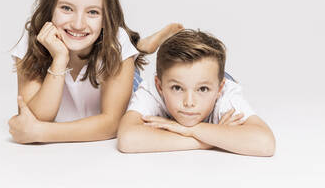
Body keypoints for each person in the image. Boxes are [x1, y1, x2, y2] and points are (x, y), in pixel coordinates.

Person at [8, 0, 183, 144]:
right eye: (66, 8)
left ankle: (137, 47)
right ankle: (140, 46)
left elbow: (112, 123)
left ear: (106, 19)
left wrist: (42, 134)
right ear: (50, 9)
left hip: (120, 69)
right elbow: (34, 118)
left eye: (92, 12)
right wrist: (59, 60)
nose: (77, 24)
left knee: (128, 64)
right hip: (95, 46)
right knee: (119, 45)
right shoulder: (33, 39)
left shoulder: (116, 42)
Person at [117, 29, 275, 156]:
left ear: (219, 89)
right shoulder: (152, 90)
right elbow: (127, 139)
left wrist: (191, 129)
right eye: (177, 88)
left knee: (201, 76)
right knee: (129, 74)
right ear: (160, 86)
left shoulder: (227, 95)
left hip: (215, 78)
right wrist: (210, 140)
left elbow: (265, 143)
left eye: (203, 89)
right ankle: (139, 48)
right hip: (175, 78)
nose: (189, 102)